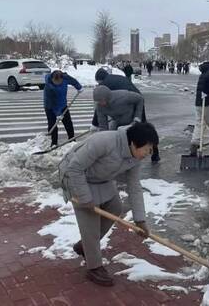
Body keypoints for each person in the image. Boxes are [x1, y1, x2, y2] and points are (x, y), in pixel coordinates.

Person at [58, 122, 157, 286]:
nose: (149, 153)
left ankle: (86, 246)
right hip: (75, 175)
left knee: (115, 207)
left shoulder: (135, 157)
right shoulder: (103, 142)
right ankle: (94, 267)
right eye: (147, 148)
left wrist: (141, 220)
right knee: (90, 220)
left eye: (151, 149)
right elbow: (75, 168)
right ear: (133, 143)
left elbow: (134, 186)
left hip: (102, 178)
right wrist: (85, 198)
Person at [92, 68, 160, 163]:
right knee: (121, 130)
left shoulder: (104, 87)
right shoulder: (113, 80)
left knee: (145, 130)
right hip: (124, 104)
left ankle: (154, 152)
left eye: (98, 81)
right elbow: (101, 113)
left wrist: (137, 117)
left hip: (133, 99)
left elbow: (138, 99)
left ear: (100, 79)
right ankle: (124, 156)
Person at [43, 70, 83, 146]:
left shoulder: (65, 78)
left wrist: (79, 87)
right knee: (52, 124)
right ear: (52, 79)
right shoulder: (49, 88)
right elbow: (52, 102)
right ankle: (54, 143)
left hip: (63, 105)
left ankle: (72, 140)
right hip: (50, 107)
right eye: (56, 82)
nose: (58, 84)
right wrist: (58, 113)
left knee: (68, 123)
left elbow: (73, 81)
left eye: (59, 82)